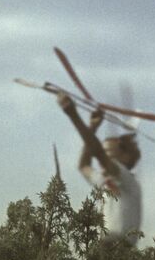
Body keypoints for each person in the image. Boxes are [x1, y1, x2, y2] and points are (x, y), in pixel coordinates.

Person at [56, 93, 142, 244]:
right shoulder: (106, 181)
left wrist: (74, 115)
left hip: (121, 247)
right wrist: (93, 127)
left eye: (110, 154)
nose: (103, 160)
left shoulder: (127, 180)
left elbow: (97, 152)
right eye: (105, 154)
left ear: (126, 157)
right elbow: (84, 166)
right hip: (105, 245)